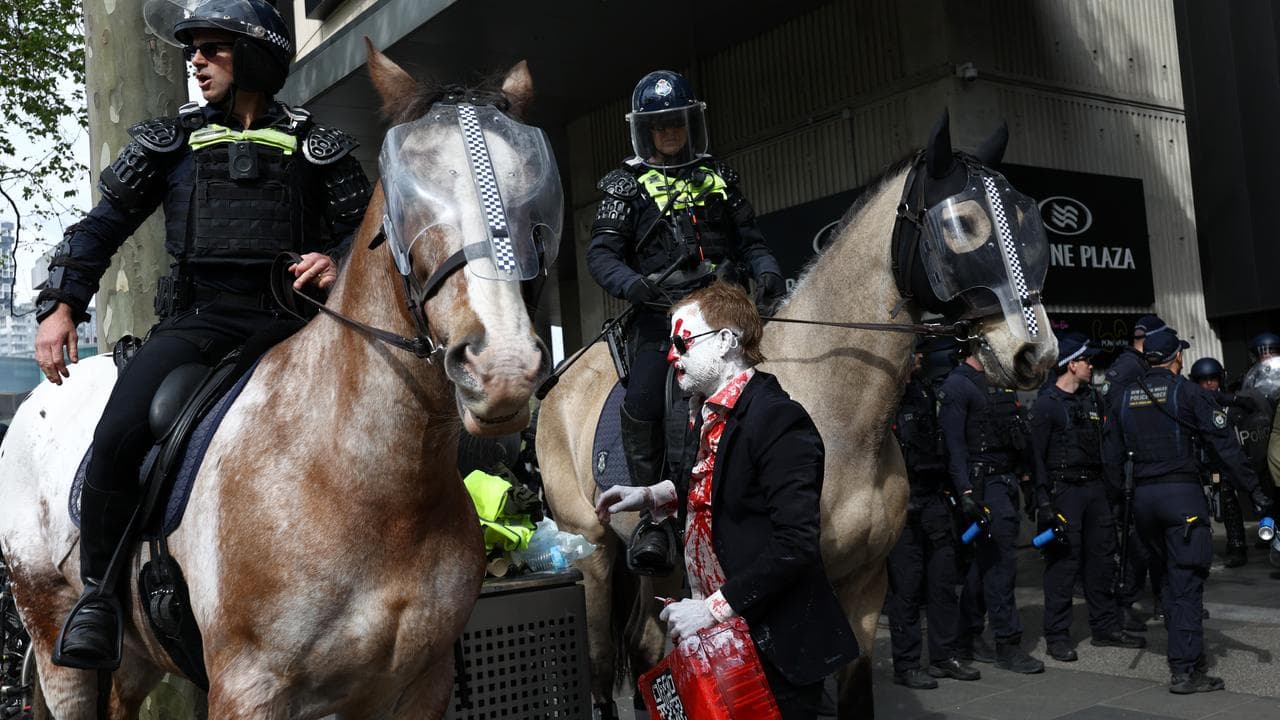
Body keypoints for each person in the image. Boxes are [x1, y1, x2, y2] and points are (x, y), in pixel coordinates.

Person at [35, 0, 371, 670]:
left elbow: (370, 233)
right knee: (119, 430)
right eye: (193, 49)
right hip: (197, 324)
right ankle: (99, 596)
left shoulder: (317, 147)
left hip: (297, 329)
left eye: (212, 48)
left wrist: (338, 257)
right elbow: (100, 226)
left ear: (255, 56)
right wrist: (60, 304)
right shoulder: (169, 141)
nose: (195, 60)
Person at [594, 281, 856, 719]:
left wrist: (710, 611)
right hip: (723, 639)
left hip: (775, 650)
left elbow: (796, 545)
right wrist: (651, 494)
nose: (671, 354)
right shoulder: (707, 413)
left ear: (726, 342)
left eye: (682, 342)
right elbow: (719, 483)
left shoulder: (779, 421)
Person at [586, 70, 784, 573]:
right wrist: (633, 284)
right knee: (645, 397)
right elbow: (602, 255)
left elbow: (752, 240)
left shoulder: (719, 176)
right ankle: (655, 517)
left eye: (677, 121)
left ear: (689, 123)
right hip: (661, 317)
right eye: (661, 124)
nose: (671, 131)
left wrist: (766, 269)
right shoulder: (623, 186)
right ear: (646, 131)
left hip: (726, 311)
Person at [1104, 329, 1273, 693]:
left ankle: (1185, 655)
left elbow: (1111, 459)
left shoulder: (1122, 398)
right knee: (1186, 583)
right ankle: (1185, 670)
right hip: (1181, 498)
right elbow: (1226, 447)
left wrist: (1120, 505)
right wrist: (1256, 492)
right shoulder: (1188, 392)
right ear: (1174, 358)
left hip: (1144, 503)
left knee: (1165, 578)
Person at [1030, 333, 1145, 662]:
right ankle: (1057, 635)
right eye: (1086, 360)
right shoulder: (1046, 404)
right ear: (1071, 364)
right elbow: (1036, 458)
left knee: (1102, 561)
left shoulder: (1092, 400)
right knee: (1062, 565)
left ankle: (1105, 627)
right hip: (1063, 491)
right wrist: (1042, 502)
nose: (1091, 365)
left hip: (1096, 490)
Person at [938, 341, 1043, 674]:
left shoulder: (997, 381)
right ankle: (1007, 643)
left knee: (985, 565)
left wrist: (1025, 476)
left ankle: (966, 635)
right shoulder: (958, 385)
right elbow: (953, 446)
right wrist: (965, 491)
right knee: (1001, 566)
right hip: (983, 486)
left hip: (1005, 480)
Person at [886, 337, 980, 688]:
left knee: (942, 583)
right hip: (903, 505)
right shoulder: (887, 399)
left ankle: (944, 656)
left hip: (934, 500)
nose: (920, 357)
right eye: (914, 352)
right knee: (907, 591)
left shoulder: (925, 393)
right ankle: (907, 664)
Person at [1103, 313, 1165, 630]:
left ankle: (1163, 600)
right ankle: (1124, 605)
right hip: (1128, 469)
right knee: (1136, 545)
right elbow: (1115, 423)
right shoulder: (1127, 368)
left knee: (1155, 540)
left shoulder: (1140, 366)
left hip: (1143, 464)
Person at [1189, 357, 1249, 567]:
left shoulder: (1229, 407)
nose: (1208, 385)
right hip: (1199, 463)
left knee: (1229, 502)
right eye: (1203, 381)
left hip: (1223, 462)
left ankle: (1237, 545)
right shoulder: (1191, 405)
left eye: (1212, 379)